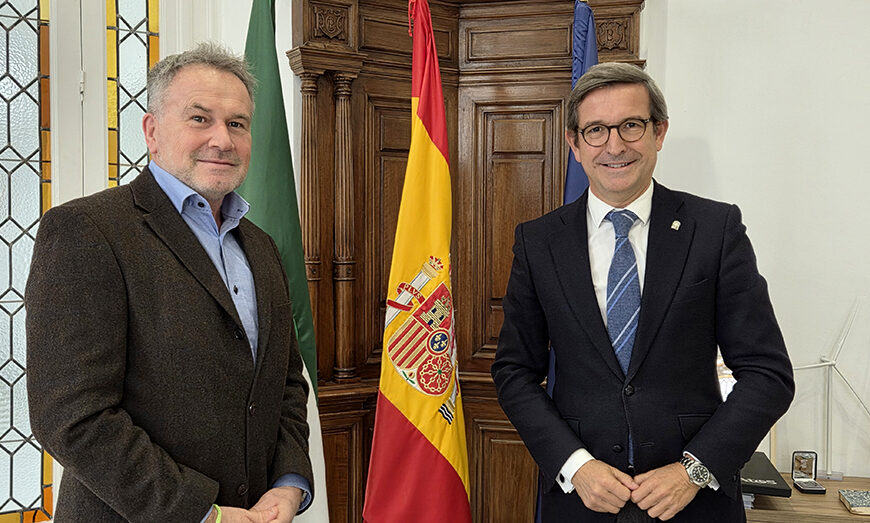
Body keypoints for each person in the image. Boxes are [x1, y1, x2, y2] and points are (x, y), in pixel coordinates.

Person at [491, 62, 794, 522]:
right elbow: (514, 371)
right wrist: (577, 467)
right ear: (574, 143)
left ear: (659, 132)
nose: (615, 145)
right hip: (582, 500)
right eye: (596, 130)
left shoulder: (715, 230)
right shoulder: (538, 242)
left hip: (694, 503)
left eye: (631, 125)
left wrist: (695, 470)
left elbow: (768, 374)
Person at [26, 43, 313, 522]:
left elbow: (283, 386)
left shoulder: (261, 246)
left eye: (237, 123)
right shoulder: (86, 230)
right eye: (200, 118)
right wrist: (201, 513)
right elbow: (74, 418)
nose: (222, 139)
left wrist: (289, 484)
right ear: (152, 131)